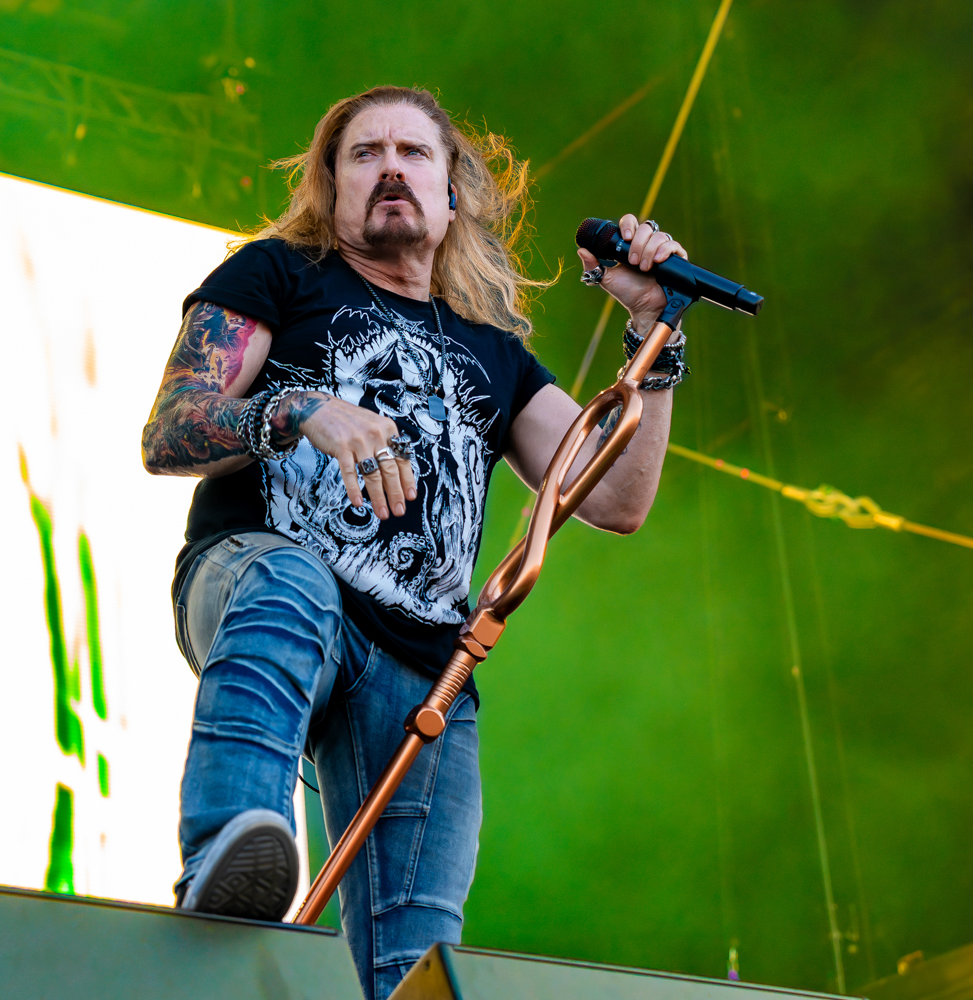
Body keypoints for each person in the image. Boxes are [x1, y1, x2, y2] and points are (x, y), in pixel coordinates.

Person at [141, 84, 690, 1000]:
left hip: (421, 666)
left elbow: (617, 497)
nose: (391, 167)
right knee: (293, 588)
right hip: (256, 572)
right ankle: (231, 857)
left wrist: (655, 331)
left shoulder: (494, 354)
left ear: (452, 191)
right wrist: (302, 409)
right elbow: (169, 432)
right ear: (332, 187)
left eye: (413, 153)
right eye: (366, 153)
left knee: (416, 967)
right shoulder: (277, 275)